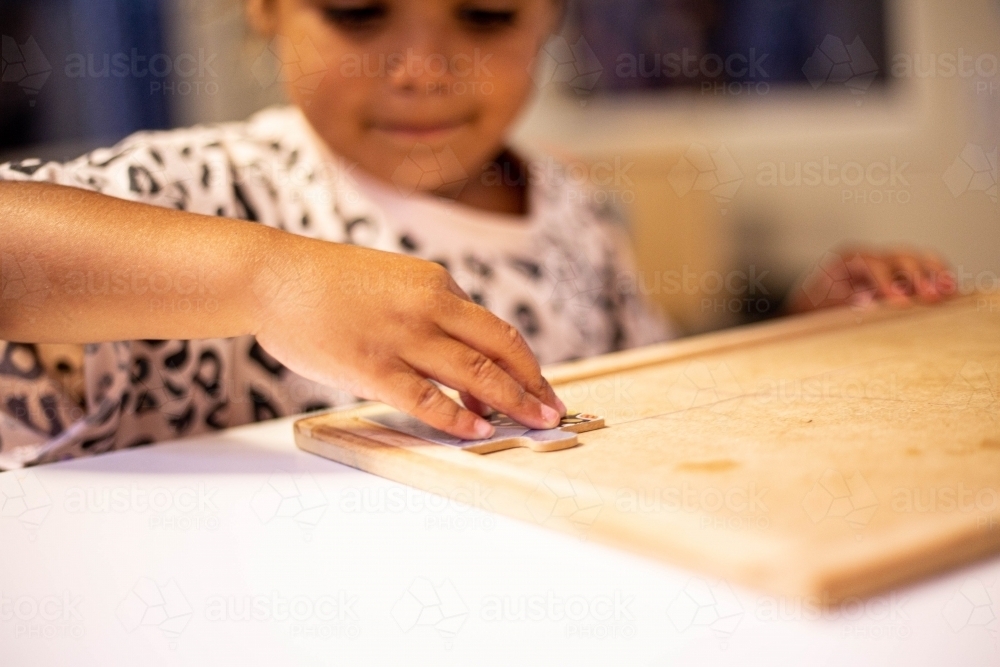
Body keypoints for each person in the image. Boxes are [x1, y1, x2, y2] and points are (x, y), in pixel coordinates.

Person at [0, 0, 952, 469]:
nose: (423, 68)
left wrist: (795, 330)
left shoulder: (578, 211)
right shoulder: (209, 191)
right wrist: (268, 278)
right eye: (360, 9)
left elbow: (654, 411)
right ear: (264, 7)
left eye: (487, 12)